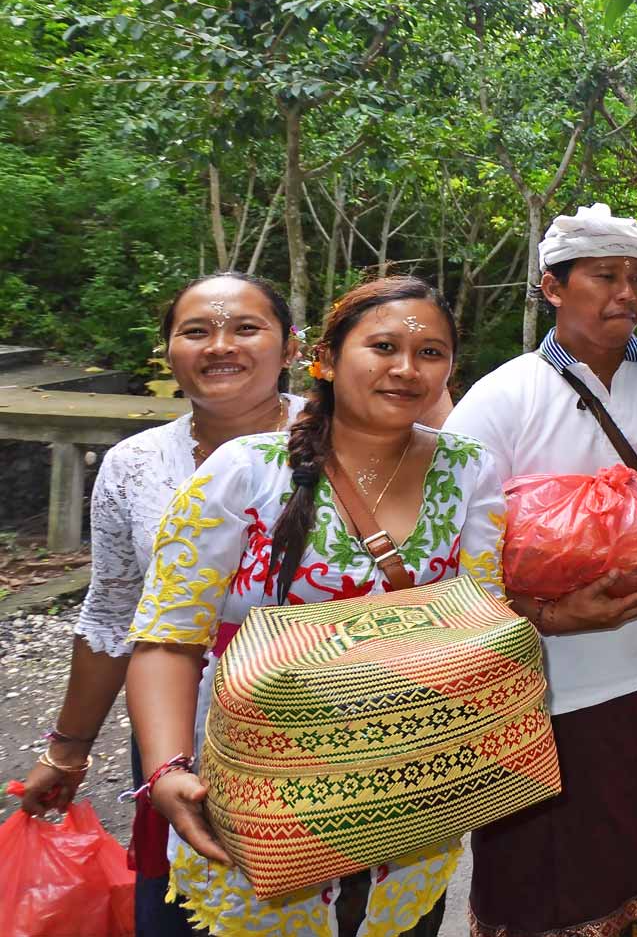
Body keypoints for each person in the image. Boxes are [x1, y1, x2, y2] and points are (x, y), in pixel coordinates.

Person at [125, 275, 506, 937]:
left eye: (431, 352)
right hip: (257, 808)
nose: (406, 368)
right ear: (326, 359)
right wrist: (164, 770)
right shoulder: (244, 470)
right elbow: (167, 636)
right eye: (383, 345)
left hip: (407, 809)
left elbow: (482, 621)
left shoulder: (471, 469)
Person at [446, 203, 637, 937]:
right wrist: (549, 615)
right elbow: (454, 566)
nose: (626, 293)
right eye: (605, 276)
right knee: (533, 875)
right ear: (553, 288)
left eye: (636, 279)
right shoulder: (499, 402)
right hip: (535, 692)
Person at [16, 271, 301, 937]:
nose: (220, 345)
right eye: (196, 331)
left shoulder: (349, 442)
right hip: (180, 742)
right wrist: (67, 749)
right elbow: (115, 614)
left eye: (246, 328)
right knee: (184, 913)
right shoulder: (135, 465)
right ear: (168, 351)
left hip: (326, 736)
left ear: (290, 347)